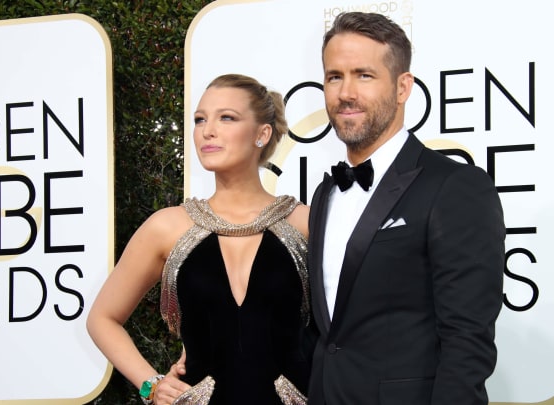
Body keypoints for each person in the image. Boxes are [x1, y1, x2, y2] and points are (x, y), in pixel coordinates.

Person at [306, 12, 506, 404]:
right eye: (334, 76)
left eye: (364, 75)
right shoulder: (325, 193)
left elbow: (467, 344)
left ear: (403, 88)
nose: (345, 93)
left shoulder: (455, 186)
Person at [87, 73, 311, 405]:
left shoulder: (305, 223)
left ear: (263, 133)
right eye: (200, 119)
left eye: (227, 118)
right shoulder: (167, 227)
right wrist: (151, 385)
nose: (207, 130)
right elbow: (101, 319)